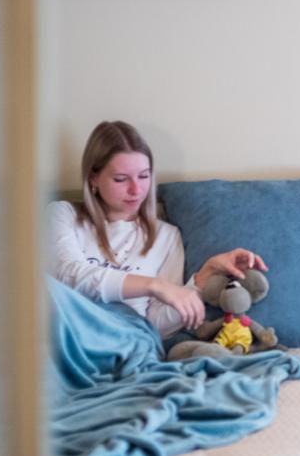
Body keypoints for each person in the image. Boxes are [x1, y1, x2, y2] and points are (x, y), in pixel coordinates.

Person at [48, 120, 265, 337]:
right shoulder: (61, 215)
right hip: (71, 334)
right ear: (93, 179)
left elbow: (156, 325)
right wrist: (153, 285)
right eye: (121, 179)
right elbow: (67, 277)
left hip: (128, 340)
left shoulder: (166, 236)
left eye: (144, 176)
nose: (136, 189)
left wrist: (204, 277)